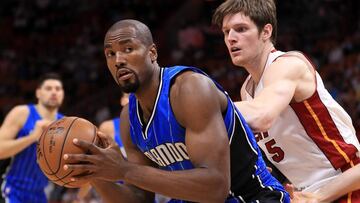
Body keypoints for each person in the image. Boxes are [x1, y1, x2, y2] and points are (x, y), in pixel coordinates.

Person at [62, 19, 290, 202]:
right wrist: (95, 173)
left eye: (128, 49)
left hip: (252, 196)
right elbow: (139, 198)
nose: (118, 60)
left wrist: (124, 170)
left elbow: (216, 187)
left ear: (152, 53)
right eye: (110, 54)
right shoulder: (127, 119)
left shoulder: (189, 88)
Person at [212, 0, 360, 202]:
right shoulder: (247, 91)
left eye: (241, 29)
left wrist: (201, 105)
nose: (231, 38)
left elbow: (261, 115)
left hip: (347, 181)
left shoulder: (287, 64)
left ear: (266, 32)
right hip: (307, 193)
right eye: (226, 31)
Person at [0, 73, 64, 203]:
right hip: (12, 191)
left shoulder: (65, 124)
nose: (54, 92)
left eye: (58, 89)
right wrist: (33, 137)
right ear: (38, 93)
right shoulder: (22, 113)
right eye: (48, 88)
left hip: (41, 195)